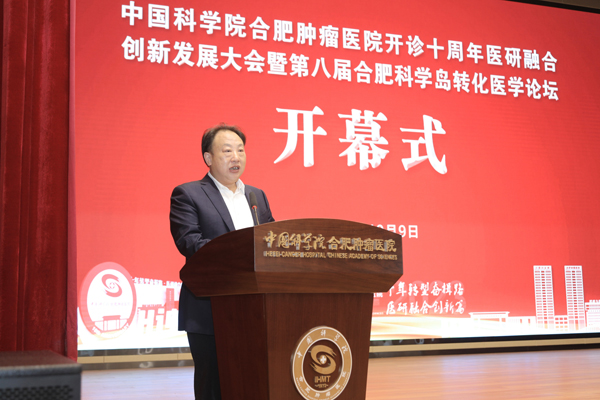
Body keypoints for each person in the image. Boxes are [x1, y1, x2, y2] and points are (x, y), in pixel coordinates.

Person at [169, 124, 275, 400]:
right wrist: (242, 253)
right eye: (227, 151)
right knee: (213, 385)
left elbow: (272, 242)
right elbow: (190, 242)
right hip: (209, 308)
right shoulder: (188, 194)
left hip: (255, 309)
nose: (236, 157)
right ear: (208, 157)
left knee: (254, 382)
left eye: (240, 150)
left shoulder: (256, 196)